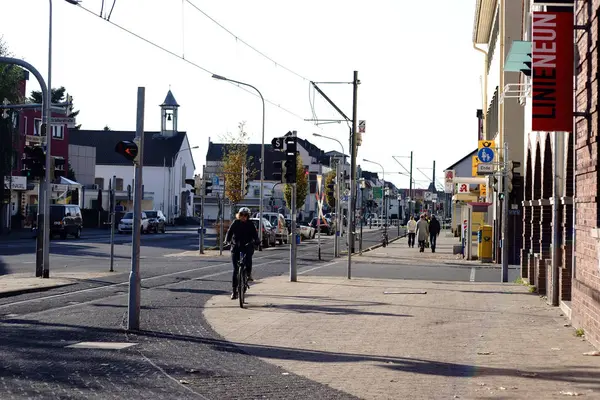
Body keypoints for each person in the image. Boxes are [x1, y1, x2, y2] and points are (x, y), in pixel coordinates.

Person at [224, 207, 259, 300]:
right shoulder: (235, 223)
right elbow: (229, 232)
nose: (243, 217)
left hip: (247, 246)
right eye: (241, 215)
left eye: (245, 215)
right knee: (236, 269)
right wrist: (227, 241)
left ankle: (248, 274)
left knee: (248, 261)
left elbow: (255, 235)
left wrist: (257, 241)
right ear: (239, 215)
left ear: (248, 216)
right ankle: (234, 291)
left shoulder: (251, 224)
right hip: (236, 246)